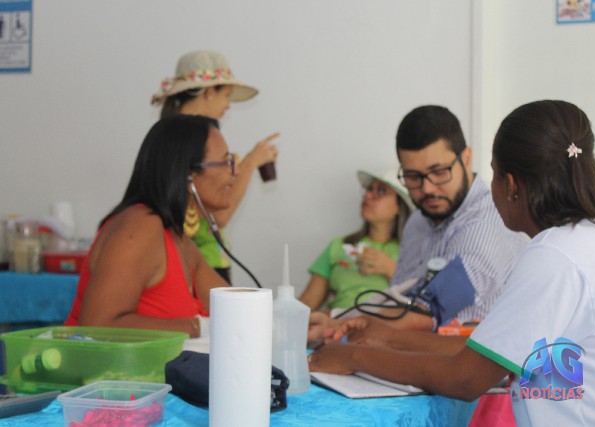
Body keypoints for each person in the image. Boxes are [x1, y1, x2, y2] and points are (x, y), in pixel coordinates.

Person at [310, 100, 595, 426]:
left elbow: (466, 377)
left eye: (493, 174)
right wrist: (386, 336)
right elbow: (491, 348)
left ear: (511, 185)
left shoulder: (554, 256)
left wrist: (354, 357)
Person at [308, 105, 528, 343]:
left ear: (466, 158)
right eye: (413, 177)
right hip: (412, 355)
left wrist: (337, 327)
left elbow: (428, 311)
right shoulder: (417, 222)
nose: (427, 189)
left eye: (439, 172)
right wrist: (335, 317)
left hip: (472, 362)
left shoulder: (488, 220)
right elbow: (400, 302)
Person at [65, 115, 232, 338]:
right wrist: (198, 327)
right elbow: (98, 327)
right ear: (188, 175)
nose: (234, 172)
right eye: (225, 162)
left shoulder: (178, 239)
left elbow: (234, 309)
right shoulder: (139, 227)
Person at [151, 50, 279, 282]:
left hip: (194, 262)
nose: (228, 106)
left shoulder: (170, 138)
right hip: (199, 266)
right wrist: (251, 163)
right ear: (209, 92)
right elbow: (219, 217)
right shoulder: (187, 143)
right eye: (226, 95)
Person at [298, 169, 414, 312]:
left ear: (400, 206)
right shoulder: (339, 246)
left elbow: (420, 303)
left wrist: (390, 269)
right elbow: (307, 303)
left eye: (380, 191)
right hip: (336, 322)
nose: (368, 196)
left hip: (384, 323)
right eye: (369, 189)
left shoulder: (412, 251)